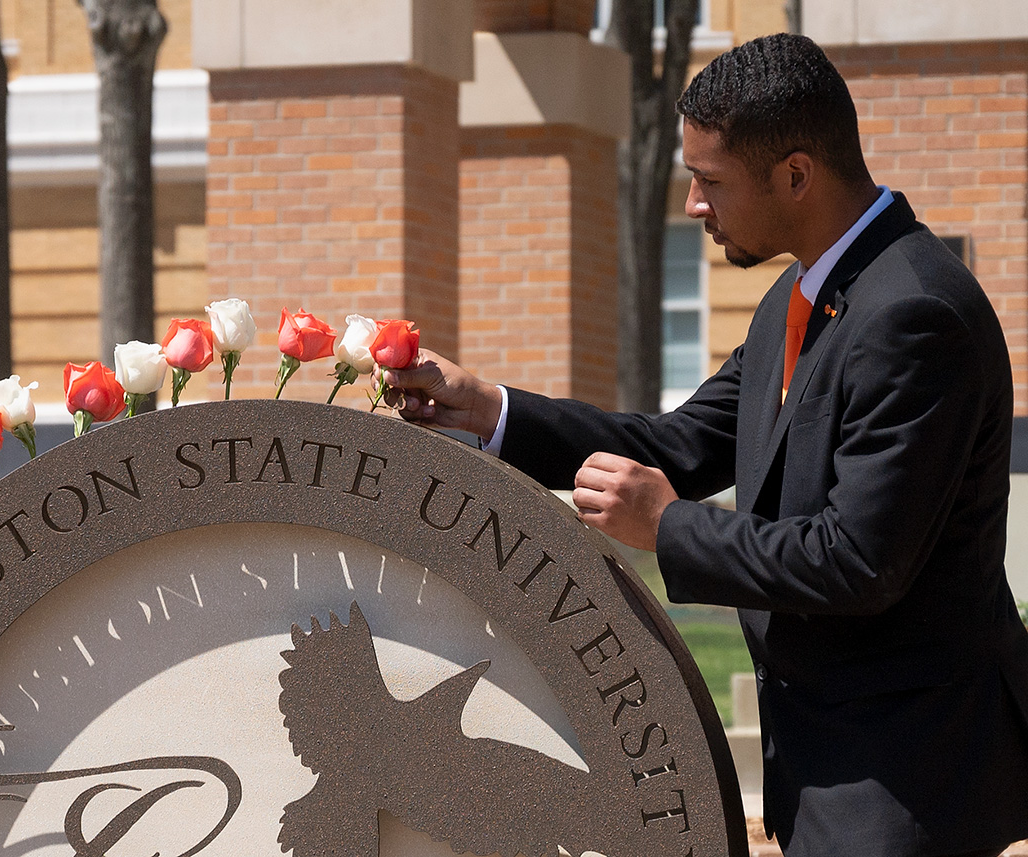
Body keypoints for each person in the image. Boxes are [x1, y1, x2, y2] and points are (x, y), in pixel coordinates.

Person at [378, 33, 1028, 857]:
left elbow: (860, 559)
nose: (692, 203)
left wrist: (670, 526)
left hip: (907, 776)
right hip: (836, 767)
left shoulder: (913, 313)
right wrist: (487, 409)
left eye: (709, 180)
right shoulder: (799, 300)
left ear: (796, 174)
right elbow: (676, 443)